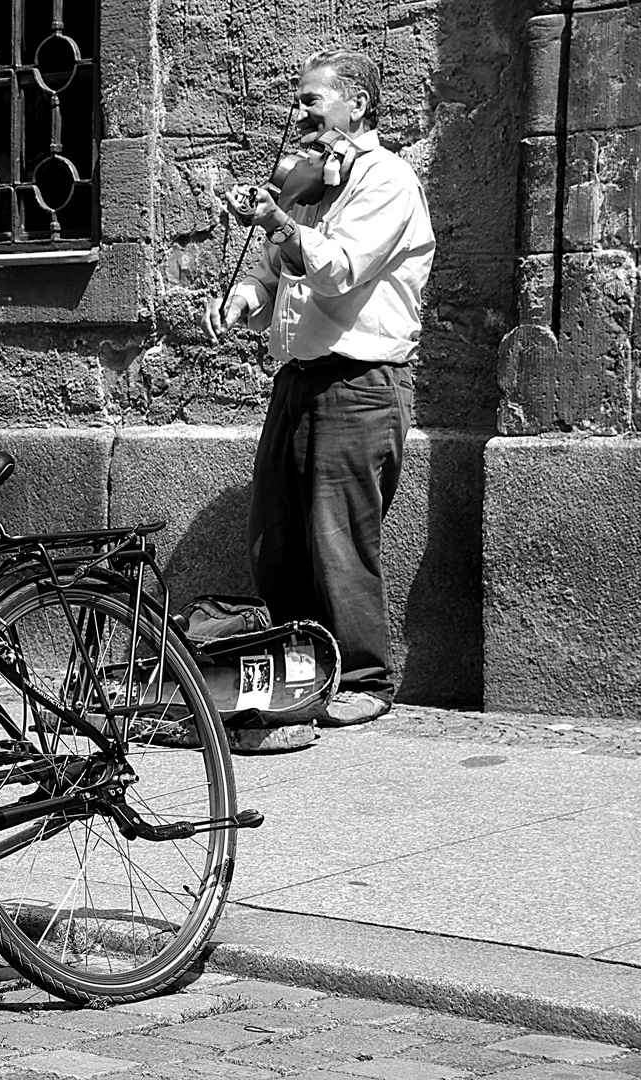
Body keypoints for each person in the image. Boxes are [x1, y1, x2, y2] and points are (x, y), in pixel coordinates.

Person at [203, 48, 435, 726]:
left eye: (310, 100)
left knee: (340, 540)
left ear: (356, 103)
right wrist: (244, 294)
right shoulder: (312, 181)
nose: (297, 112)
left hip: (359, 380)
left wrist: (279, 223)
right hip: (298, 377)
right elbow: (279, 273)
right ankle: (302, 669)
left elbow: (338, 271)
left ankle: (364, 681)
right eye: (299, 100)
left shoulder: (386, 180)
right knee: (272, 539)